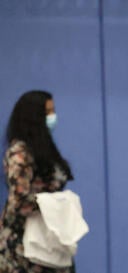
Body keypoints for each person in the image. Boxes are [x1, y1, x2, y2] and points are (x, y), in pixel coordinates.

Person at [0, 90, 75, 272]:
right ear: (34, 117)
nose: (53, 117)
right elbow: (19, 201)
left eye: (53, 111)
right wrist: (54, 203)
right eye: (48, 112)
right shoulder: (20, 153)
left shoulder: (45, 148)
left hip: (51, 238)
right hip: (24, 245)